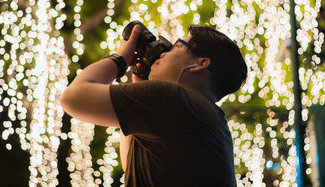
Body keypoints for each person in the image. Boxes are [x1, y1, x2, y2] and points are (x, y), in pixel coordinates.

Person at [60, 23, 247, 187]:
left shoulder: (175, 100)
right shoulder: (204, 116)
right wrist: (140, 82)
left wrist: (121, 59)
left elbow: (72, 98)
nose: (164, 53)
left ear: (200, 64)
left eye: (176, 46)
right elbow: (132, 166)